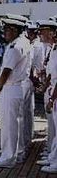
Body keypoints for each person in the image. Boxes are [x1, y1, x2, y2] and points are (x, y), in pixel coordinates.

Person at [0, 14, 32, 168]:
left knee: (9, 125)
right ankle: (18, 153)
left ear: (14, 30)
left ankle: (7, 157)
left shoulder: (15, 47)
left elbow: (6, 70)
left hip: (11, 87)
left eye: (6, 29)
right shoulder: (24, 42)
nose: (4, 33)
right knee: (17, 123)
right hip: (18, 87)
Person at [35, 20, 56, 168]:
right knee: (54, 128)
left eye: (42, 31)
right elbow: (51, 74)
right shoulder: (53, 49)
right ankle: (53, 157)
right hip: (52, 91)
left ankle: (55, 161)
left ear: (52, 32)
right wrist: (44, 87)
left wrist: (51, 99)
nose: (39, 34)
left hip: (55, 94)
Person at [22, 21, 40, 155]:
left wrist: (36, 81)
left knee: (24, 113)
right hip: (30, 81)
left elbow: (35, 66)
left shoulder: (36, 45)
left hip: (28, 81)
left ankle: (24, 142)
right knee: (28, 111)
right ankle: (28, 138)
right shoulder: (33, 44)